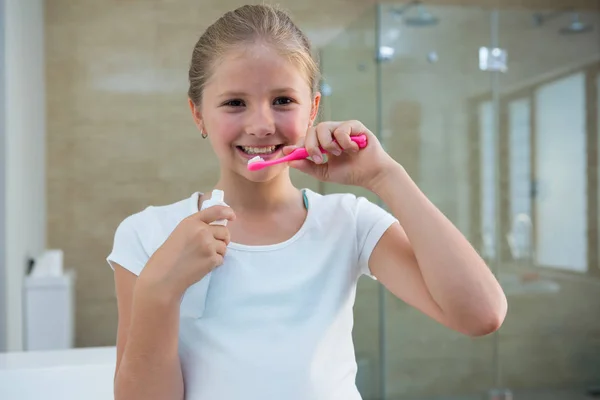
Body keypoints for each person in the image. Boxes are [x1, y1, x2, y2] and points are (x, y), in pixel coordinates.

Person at [107, 4, 507, 400]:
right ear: (198, 114)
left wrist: (385, 176)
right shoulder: (148, 234)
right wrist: (160, 290)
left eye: (283, 100)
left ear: (313, 108)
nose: (262, 124)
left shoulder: (349, 222)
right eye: (234, 102)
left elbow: (480, 314)